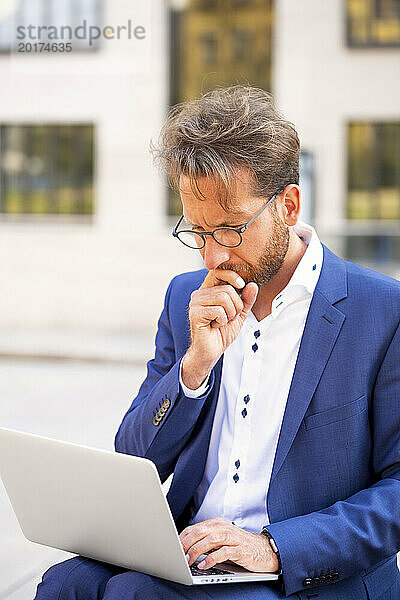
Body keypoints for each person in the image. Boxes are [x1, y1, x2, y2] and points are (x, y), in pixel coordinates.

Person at [34, 86, 400, 600]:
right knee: (65, 583)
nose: (210, 257)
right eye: (197, 232)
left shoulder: (383, 310)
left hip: (296, 570)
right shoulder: (186, 297)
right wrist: (193, 370)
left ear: (289, 206)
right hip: (190, 549)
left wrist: (272, 547)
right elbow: (135, 456)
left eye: (229, 230)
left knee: (135, 595)